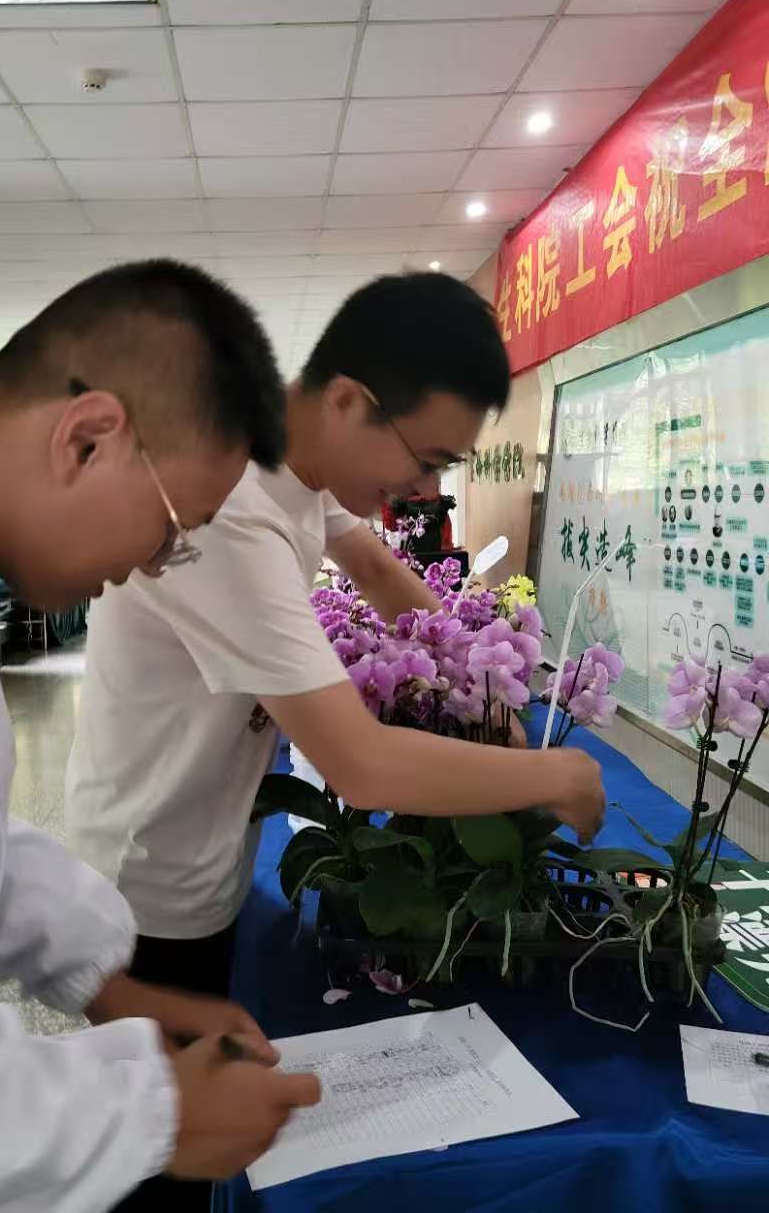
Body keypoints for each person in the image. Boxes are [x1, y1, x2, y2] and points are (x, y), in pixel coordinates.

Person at [0, 260, 320, 1213]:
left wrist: (106, 979)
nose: (153, 566)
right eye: (172, 529)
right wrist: (150, 1113)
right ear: (88, 440)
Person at [65, 274, 606, 1132]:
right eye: (424, 460)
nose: (423, 488)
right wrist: (556, 775)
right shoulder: (222, 508)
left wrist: (485, 697)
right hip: (147, 895)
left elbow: (381, 572)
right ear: (350, 402)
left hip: (203, 848)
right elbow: (361, 764)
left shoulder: (292, 458)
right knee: (164, 1142)